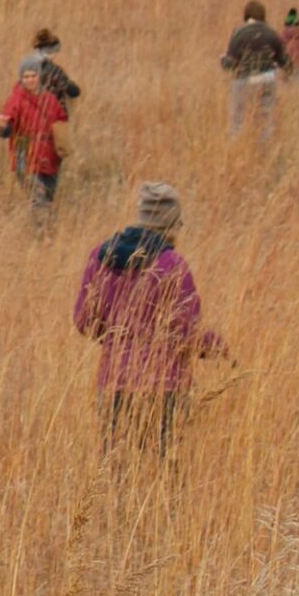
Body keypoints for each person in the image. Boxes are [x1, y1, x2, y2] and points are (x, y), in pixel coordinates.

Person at [73, 183, 225, 456]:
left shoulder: (100, 256)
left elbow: (84, 319)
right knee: (168, 476)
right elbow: (187, 330)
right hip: (165, 388)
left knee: (118, 475)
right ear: (173, 224)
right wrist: (217, 348)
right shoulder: (172, 264)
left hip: (113, 384)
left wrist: (116, 338)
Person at [0, 57, 69, 231]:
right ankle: (44, 236)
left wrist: (62, 147)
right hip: (24, 153)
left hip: (50, 156)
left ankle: (45, 234)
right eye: (25, 76)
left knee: (48, 200)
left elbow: (62, 122)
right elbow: (7, 124)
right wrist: (2, 127)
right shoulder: (16, 99)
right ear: (21, 78)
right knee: (38, 198)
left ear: (39, 76)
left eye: (33, 75)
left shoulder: (50, 99)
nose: (29, 80)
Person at [220, 0, 289, 140]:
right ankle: (265, 151)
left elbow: (230, 64)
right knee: (266, 119)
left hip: (244, 80)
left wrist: (222, 59)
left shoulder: (239, 33)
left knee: (237, 120)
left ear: (246, 16)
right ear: (263, 16)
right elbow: (284, 62)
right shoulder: (272, 33)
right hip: (267, 79)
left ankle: (236, 146)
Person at [32, 28, 81, 111]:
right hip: (53, 114)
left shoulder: (28, 68)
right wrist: (69, 83)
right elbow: (74, 92)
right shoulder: (56, 72)